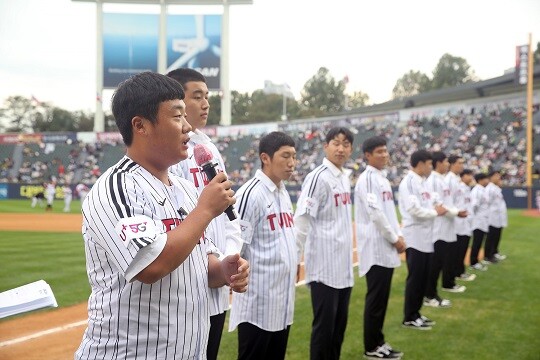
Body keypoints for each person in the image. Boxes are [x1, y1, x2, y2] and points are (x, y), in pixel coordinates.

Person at [74, 71, 249, 360]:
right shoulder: (117, 187)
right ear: (140, 126)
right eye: (177, 116)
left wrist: (224, 271)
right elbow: (150, 266)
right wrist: (205, 210)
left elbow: (202, 261)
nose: (188, 128)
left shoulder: (184, 188)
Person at [167, 67, 243, 360]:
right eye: (196, 96)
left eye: (207, 96)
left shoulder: (209, 148)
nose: (205, 103)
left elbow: (229, 212)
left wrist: (231, 257)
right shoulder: (174, 153)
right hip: (191, 284)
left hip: (218, 278)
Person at [229, 131, 297, 360]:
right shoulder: (252, 193)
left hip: (281, 301)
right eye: (285, 156)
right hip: (258, 304)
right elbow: (237, 246)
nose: (292, 163)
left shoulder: (282, 192)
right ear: (265, 158)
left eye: (294, 156)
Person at [295, 127, 355, 360]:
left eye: (346, 144)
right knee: (324, 329)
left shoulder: (344, 178)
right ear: (326, 146)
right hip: (324, 266)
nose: (341, 148)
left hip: (343, 266)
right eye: (335, 143)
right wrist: (296, 259)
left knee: (338, 329)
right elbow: (302, 219)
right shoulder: (318, 177)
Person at [354, 136, 405, 360]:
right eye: (379, 152)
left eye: (386, 151)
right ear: (368, 155)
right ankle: (371, 347)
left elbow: (389, 213)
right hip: (376, 247)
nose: (385, 155)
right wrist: (395, 238)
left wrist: (397, 234)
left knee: (382, 299)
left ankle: (379, 341)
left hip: (386, 246)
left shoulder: (382, 179)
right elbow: (376, 214)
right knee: (375, 300)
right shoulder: (367, 180)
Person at [398, 150, 447, 330]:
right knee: (415, 278)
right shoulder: (409, 182)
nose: (430, 167)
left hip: (426, 237)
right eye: (428, 164)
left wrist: (438, 207)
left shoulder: (423, 183)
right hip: (415, 237)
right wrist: (436, 212)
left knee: (423, 278)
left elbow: (433, 201)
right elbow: (414, 209)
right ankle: (409, 316)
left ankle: (416, 313)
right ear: (419, 164)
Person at [424, 152, 467, 306]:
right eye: (446, 162)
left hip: (446, 226)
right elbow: (438, 205)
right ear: (438, 163)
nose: (447, 165)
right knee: (435, 264)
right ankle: (430, 295)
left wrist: (455, 212)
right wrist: (456, 212)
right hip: (438, 228)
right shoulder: (434, 181)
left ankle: (433, 293)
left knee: (439, 262)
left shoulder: (441, 180)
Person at [454, 169, 476, 281]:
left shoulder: (467, 189)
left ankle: (461, 271)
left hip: (467, 223)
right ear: (462, 176)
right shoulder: (459, 188)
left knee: (463, 249)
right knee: (459, 250)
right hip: (460, 224)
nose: (471, 177)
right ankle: (458, 272)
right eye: (468, 175)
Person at [484, 170, 508, 262]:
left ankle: (494, 252)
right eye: (496, 175)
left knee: (497, 236)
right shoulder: (489, 189)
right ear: (491, 177)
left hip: (498, 217)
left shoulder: (496, 188)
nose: (498, 177)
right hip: (492, 217)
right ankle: (488, 255)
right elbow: (487, 203)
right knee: (491, 237)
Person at [469, 173, 490, 271]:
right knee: (476, 242)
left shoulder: (482, 190)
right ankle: (473, 262)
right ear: (481, 180)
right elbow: (474, 206)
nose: (487, 181)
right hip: (478, 221)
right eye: (486, 179)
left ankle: (476, 260)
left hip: (483, 220)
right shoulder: (477, 190)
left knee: (480, 242)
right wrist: (475, 219)